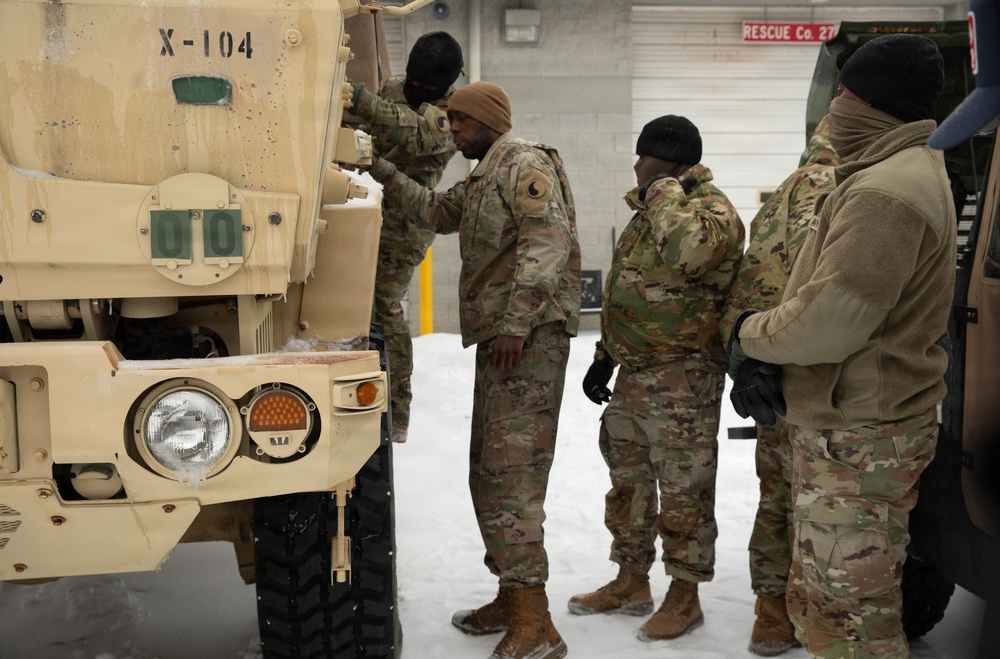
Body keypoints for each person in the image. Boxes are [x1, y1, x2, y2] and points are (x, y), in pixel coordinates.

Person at [727, 34, 954, 658]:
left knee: (851, 624)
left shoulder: (886, 190)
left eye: (846, 94)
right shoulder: (892, 171)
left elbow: (832, 322)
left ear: (876, 104)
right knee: (829, 606)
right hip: (853, 427)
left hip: (860, 435)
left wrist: (748, 332)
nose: (834, 108)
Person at [369, 80, 580, 659]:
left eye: (460, 122)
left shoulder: (523, 164)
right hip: (503, 341)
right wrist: (381, 168)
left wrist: (516, 322)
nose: (453, 131)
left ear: (488, 120)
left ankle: (537, 625)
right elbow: (437, 212)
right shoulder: (485, 173)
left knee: (513, 478)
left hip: (527, 341)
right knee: (488, 472)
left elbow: (548, 242)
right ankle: (512, 598)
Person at [567, 115, 744, 642]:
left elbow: (689, 254)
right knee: (629, 484)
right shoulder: (651, 213)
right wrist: (605, 355)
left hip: (683, 378)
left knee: (684, 492)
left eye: (645, 157)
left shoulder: (712, 212)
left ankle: (685, 597)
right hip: (636, 375)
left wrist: (663, 190)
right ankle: (631, 579)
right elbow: (630, 288)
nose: (636, 166)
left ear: (669, 160)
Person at [720, 116, 839, 657]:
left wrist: (750, 359)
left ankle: (772, 611)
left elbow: (753, 278)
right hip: (810, 369)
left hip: (770, 360)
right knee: (814, 500)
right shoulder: (829, 186)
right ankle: (804, 611)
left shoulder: (783, 193)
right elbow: (810, 281)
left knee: (776, 494)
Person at [349, 31, 463, 444]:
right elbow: (368, 125)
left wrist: (361, 101)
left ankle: (397, 412)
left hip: (406, 224)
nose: (411, 90)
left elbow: (415, 135)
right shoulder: (395, 87)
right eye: (411, 83)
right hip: (362, 209)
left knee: (384, 307)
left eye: (421, 87)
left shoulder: (453, 112)